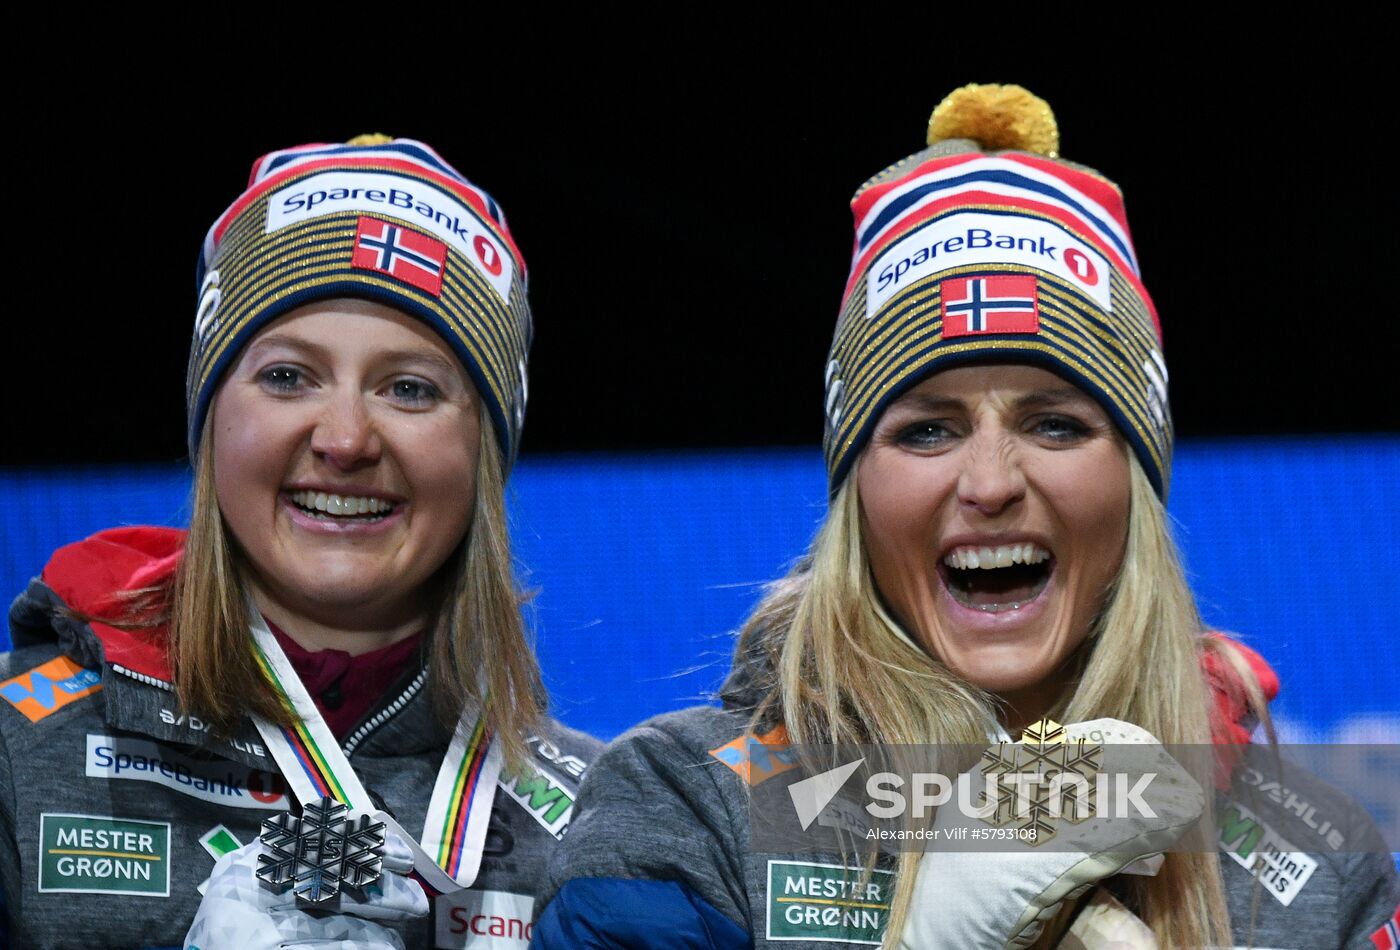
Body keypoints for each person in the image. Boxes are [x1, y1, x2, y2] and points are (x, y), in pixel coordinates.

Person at [536, 85, 1400, 948]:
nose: (989, 482)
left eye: (1055, 423)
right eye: (928, 430)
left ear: (1135, 479)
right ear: (856, 492)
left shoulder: (1318, 860)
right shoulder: (690, 799)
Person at [0, 136, 599, 948]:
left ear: (485, 457)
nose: (346, 438)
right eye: (288, 376)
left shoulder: (607, 817)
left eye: (410, 389)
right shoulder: (16, 747)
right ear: (213, 421)